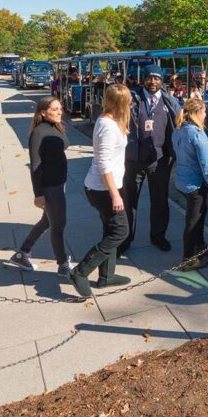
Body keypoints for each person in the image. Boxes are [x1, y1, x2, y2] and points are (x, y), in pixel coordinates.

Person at [68, 84, 131, 297]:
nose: (130, 104)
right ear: (121, 103)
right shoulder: (108, 126)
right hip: (102, 188)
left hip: (104, 186)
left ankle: (106, 277)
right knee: (120, 231)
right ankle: (80, 272)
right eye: (128, 101)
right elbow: (104, 163)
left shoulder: (110, 121)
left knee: (110, 230)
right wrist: (115, 194)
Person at [5, 97, 72, 274]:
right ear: (43, 112)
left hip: (59, 182)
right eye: (54, 109)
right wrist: (38, 194)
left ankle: (22, 253)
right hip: (50, 186)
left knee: (46, 221)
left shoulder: (55, 127)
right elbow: (35, 165)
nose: (59, 112)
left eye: (60, 108)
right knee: (58, 225)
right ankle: (63, 264)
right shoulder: (38, 132)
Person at [119, 64, 181, 255]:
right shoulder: (131, 99)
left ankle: (158, 236)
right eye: (149, 78)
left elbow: (180, 123)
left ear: (162, 80)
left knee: (160, 200)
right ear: (143, 79)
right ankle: (125, 238)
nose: (152, 82)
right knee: (129, 202)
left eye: (156, 78)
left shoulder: (169, 101)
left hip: (160, 160)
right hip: (134, 160)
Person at [172, 98, 208, 270]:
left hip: (182, 180)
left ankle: (200, 246)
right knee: (193, 221)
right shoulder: (196, 134)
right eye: (204, 112)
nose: (205, 115)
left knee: (200, 213)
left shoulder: (179, 129)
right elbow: (206, 165)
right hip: (194, 184)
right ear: (196, 113)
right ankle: (188, 258)